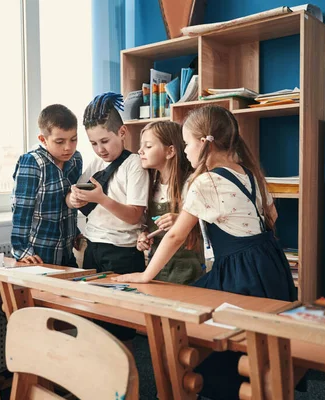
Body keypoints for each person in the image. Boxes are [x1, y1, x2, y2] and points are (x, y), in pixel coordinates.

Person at [115, 105, 297, 399]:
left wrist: (147, 275)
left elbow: (175, 235)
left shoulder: (205, 181)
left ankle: (199, 387)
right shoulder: (247, 173)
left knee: (201, 332)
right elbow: (271, 217)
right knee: (258, 340)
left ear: (205, 142)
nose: (186, 151)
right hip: (270, 263)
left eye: (187, 143)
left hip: (240, 271)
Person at [69, 92, 149, 275]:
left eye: (105, 141)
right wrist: (75, 198)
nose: (100, 149)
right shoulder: (96, 163)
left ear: (122, 133)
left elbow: (134, 216)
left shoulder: (134, 164)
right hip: (92, 245)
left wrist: (101, 199)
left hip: (122, 251)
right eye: (93, 144)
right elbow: (76, 192)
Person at [11, 104, 82, 266]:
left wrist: (75, 232)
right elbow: (21, 209)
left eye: (73, 139)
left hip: (66, 252)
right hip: (38, 254)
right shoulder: (32, 162)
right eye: (60, 141)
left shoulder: (76, 159)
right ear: (43, 139)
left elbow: (69, 203)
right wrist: (21, 250)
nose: (68, 147)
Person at [136, 120, 204, 285]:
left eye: (148, 146)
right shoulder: (150, 186)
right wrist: (143, 236)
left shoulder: (191, 184)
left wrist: (179, 221)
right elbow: (148, 224)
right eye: (141, 146)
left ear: (170, 151)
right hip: (156, 270)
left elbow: (206, 229)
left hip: (187, 272)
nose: (140, 151)